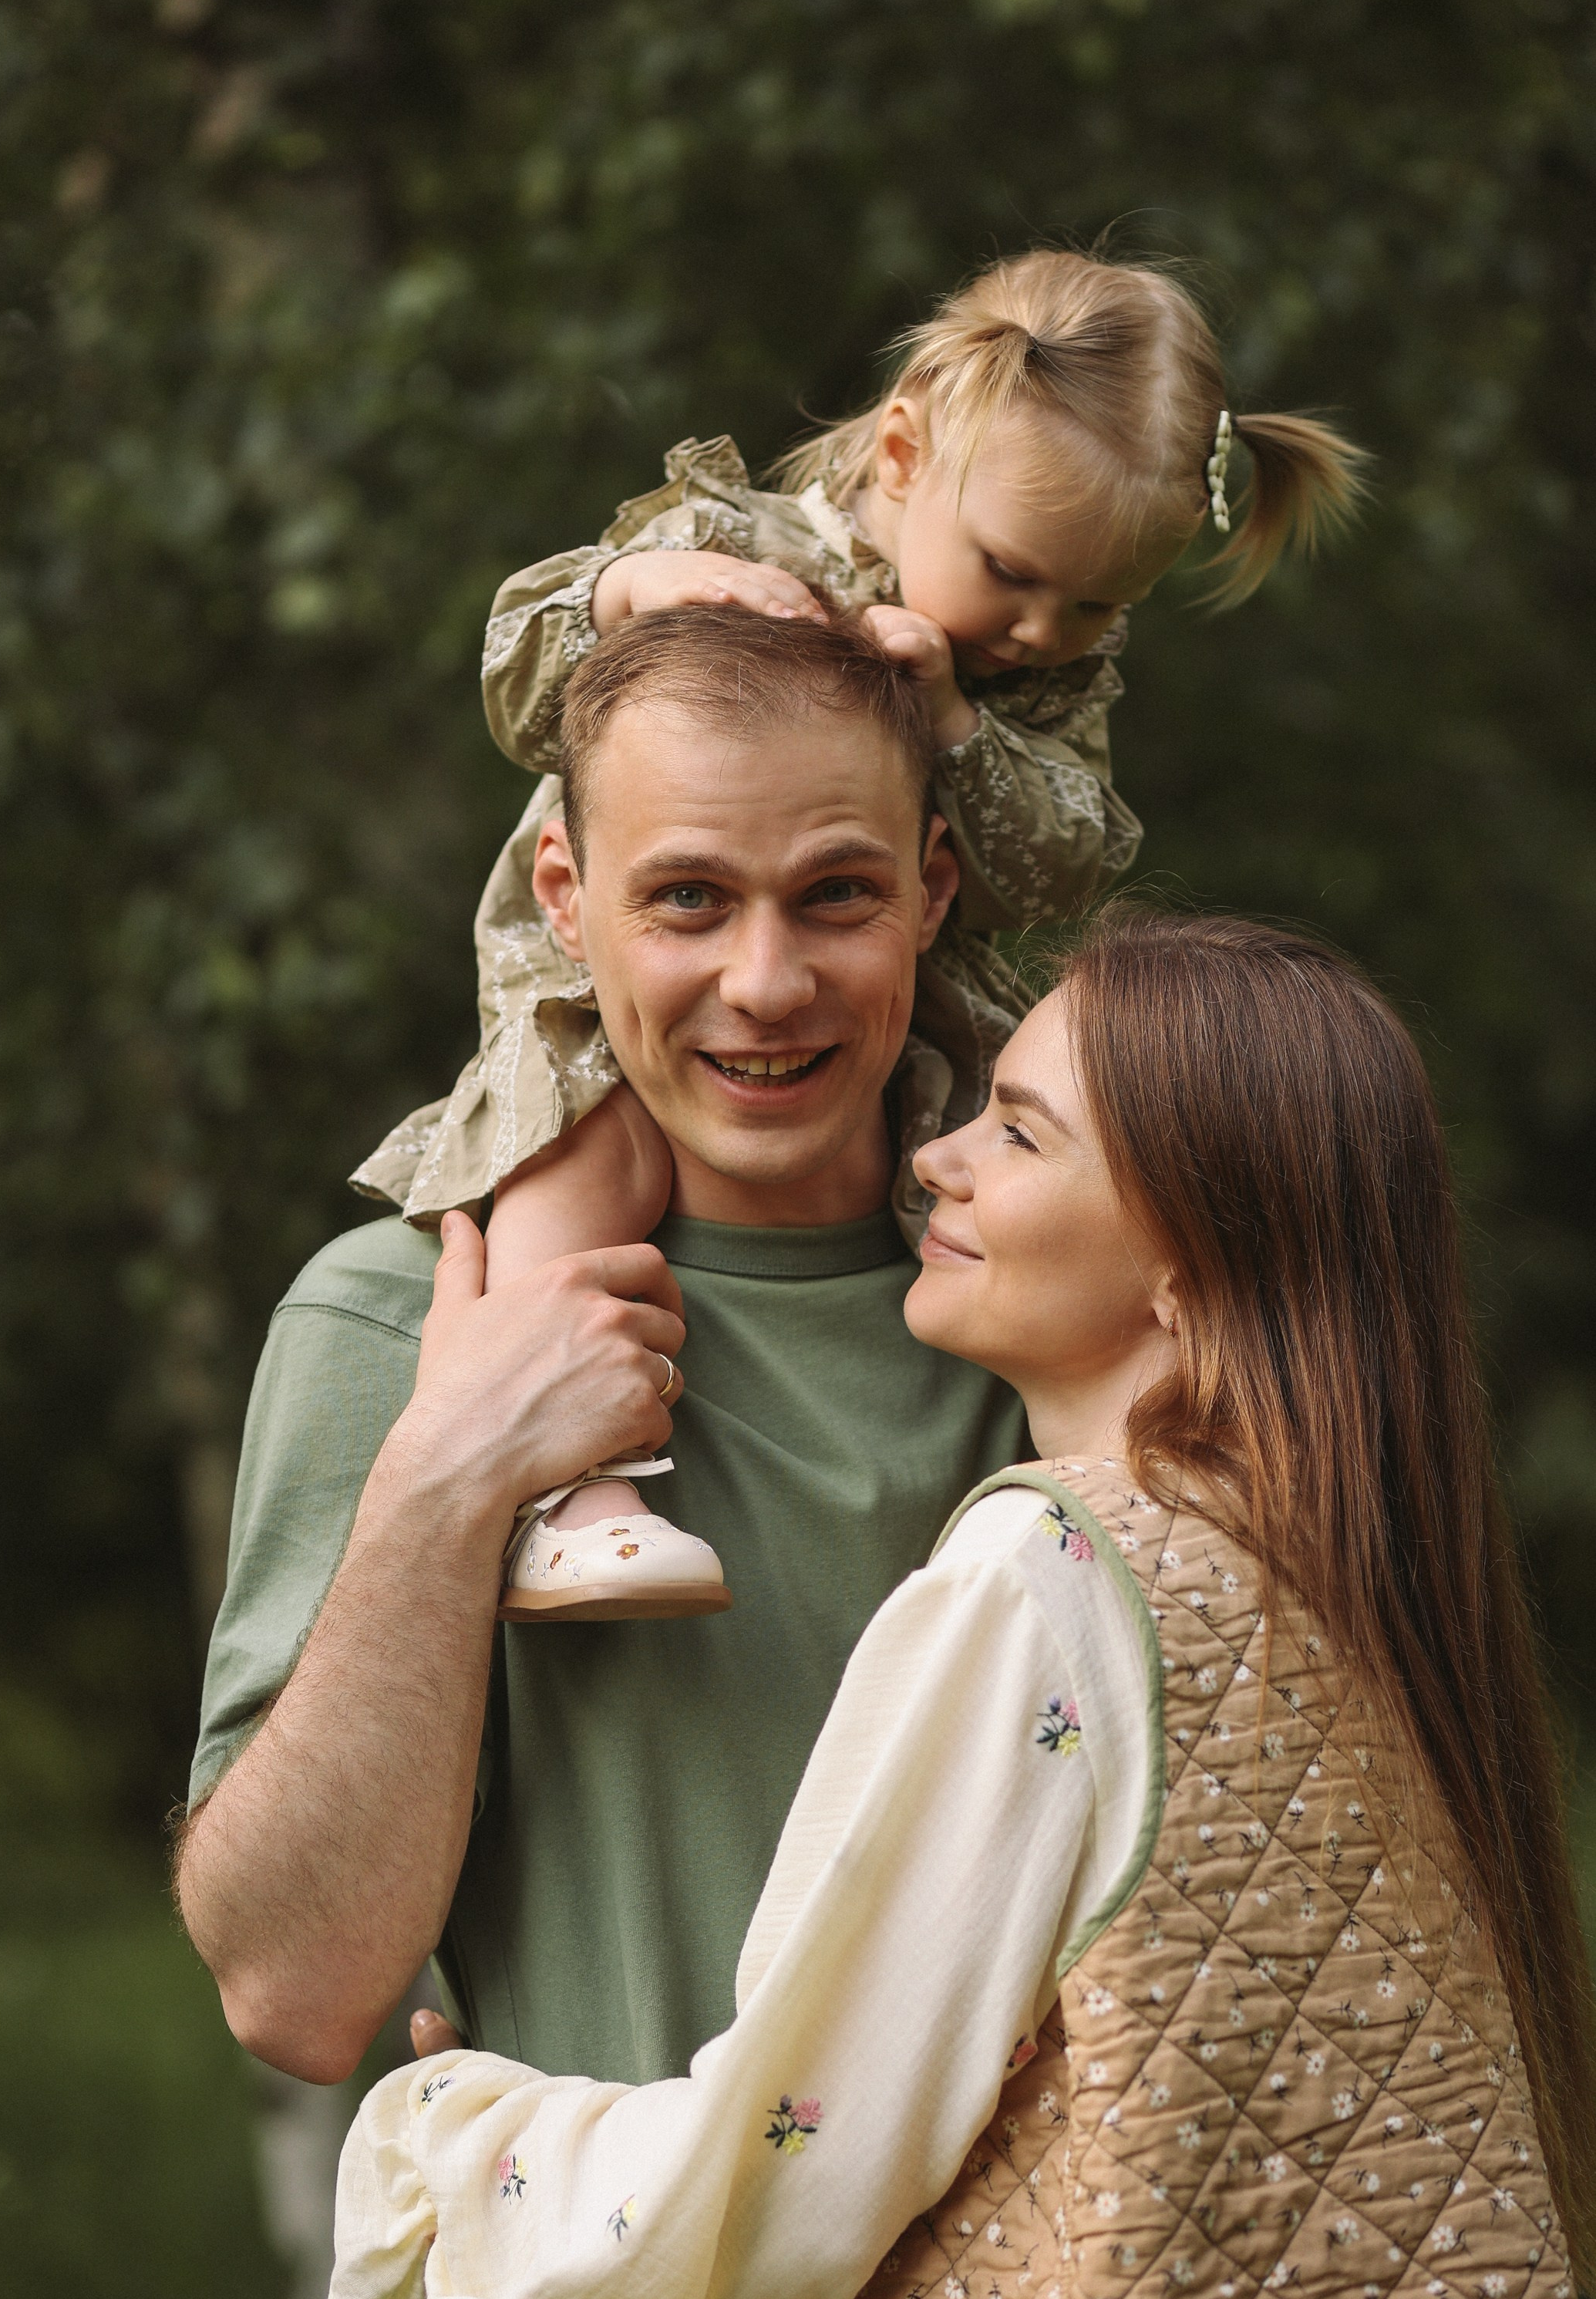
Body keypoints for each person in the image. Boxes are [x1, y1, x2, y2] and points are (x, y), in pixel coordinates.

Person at [328, 908, 1596, 2299]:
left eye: (1018, 1130)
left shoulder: (1049, 1579)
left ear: (1187, 1260)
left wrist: (442, 2162)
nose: (938, 1157)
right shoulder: (1348, 1590)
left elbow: (786, 2170)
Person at [175, 603, 1026, 2299]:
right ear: (562, 896)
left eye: (836, 895)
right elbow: (298, 1990)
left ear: (937, 889)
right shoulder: (397, 1316)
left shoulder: (1047, 1311)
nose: (764, 980)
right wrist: (462, 1461)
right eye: (685, 898)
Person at [352, 246, 1368, 1619]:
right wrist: (625, 604)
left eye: (1094, 605)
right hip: (599, 990)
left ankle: (1130, 1491)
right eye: (1014, 574)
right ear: (901, 452)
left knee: (1029, 1176)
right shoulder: (726, 546)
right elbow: (518, 674)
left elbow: (1066, 859)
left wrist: (955, 721)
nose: (1037, 627)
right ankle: (567, 1487)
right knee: (577, 1150)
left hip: (905, 1007)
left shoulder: (1032, 683)